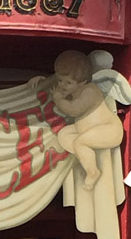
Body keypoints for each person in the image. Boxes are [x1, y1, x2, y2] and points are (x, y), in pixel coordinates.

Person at [50, 50, 125, 190]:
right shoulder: (76, 90)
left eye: (68, 82)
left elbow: (74, 109)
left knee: (80, 143)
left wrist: (58, 100)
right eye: (60, 80)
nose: (62, 85)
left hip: (108, 129)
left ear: (83, 82)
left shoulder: (90, 91)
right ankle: (85, 157)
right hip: (88, 129)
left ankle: (93, 173)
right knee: (63, 134)